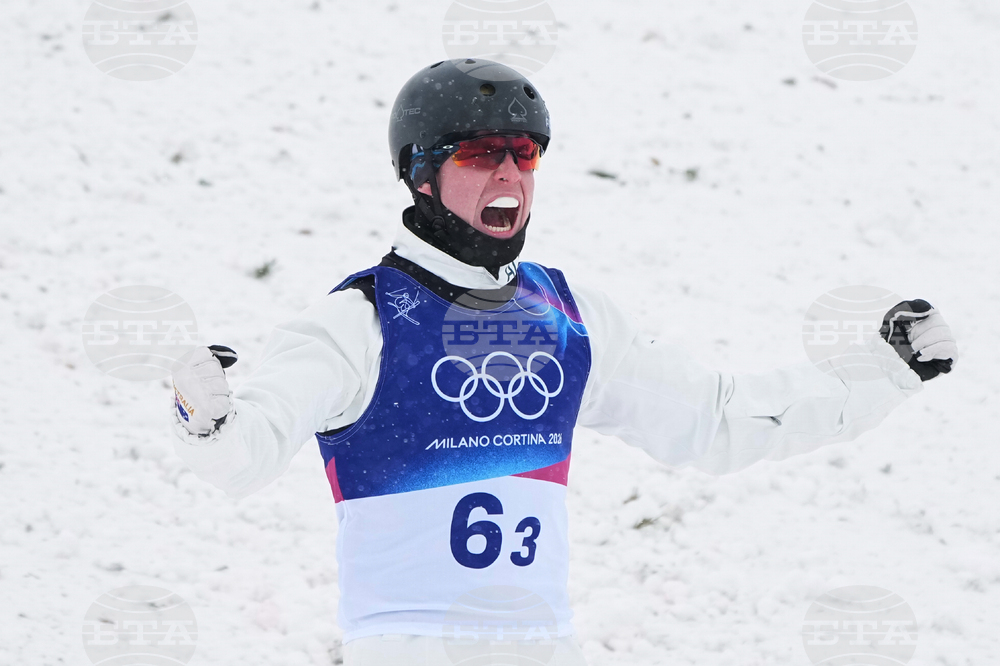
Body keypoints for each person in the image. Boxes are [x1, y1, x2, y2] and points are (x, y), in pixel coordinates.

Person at [169, 59, 958, 666]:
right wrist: (206, 419)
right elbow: (248, 451)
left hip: (544, 645)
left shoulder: (569, 318)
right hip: (408, 644)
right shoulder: (361, 320)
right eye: (482, 153)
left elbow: (716, 421)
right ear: (421, 174)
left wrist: (882, 371)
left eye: (524, 154)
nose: (509, 174)